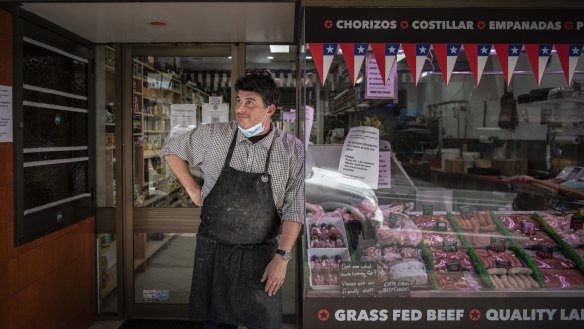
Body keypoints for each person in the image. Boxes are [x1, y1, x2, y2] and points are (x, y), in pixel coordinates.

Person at [160, 74, 304, 329]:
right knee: (215, 325)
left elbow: (295, 208)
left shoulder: (292, 149)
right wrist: (193, 189)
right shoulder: (214, 136)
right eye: (238, 100)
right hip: (215, 253)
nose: (240, 108)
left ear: (270, 109)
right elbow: (171, 149)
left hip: (262, 256)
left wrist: (282, 257)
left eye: (250, 102)